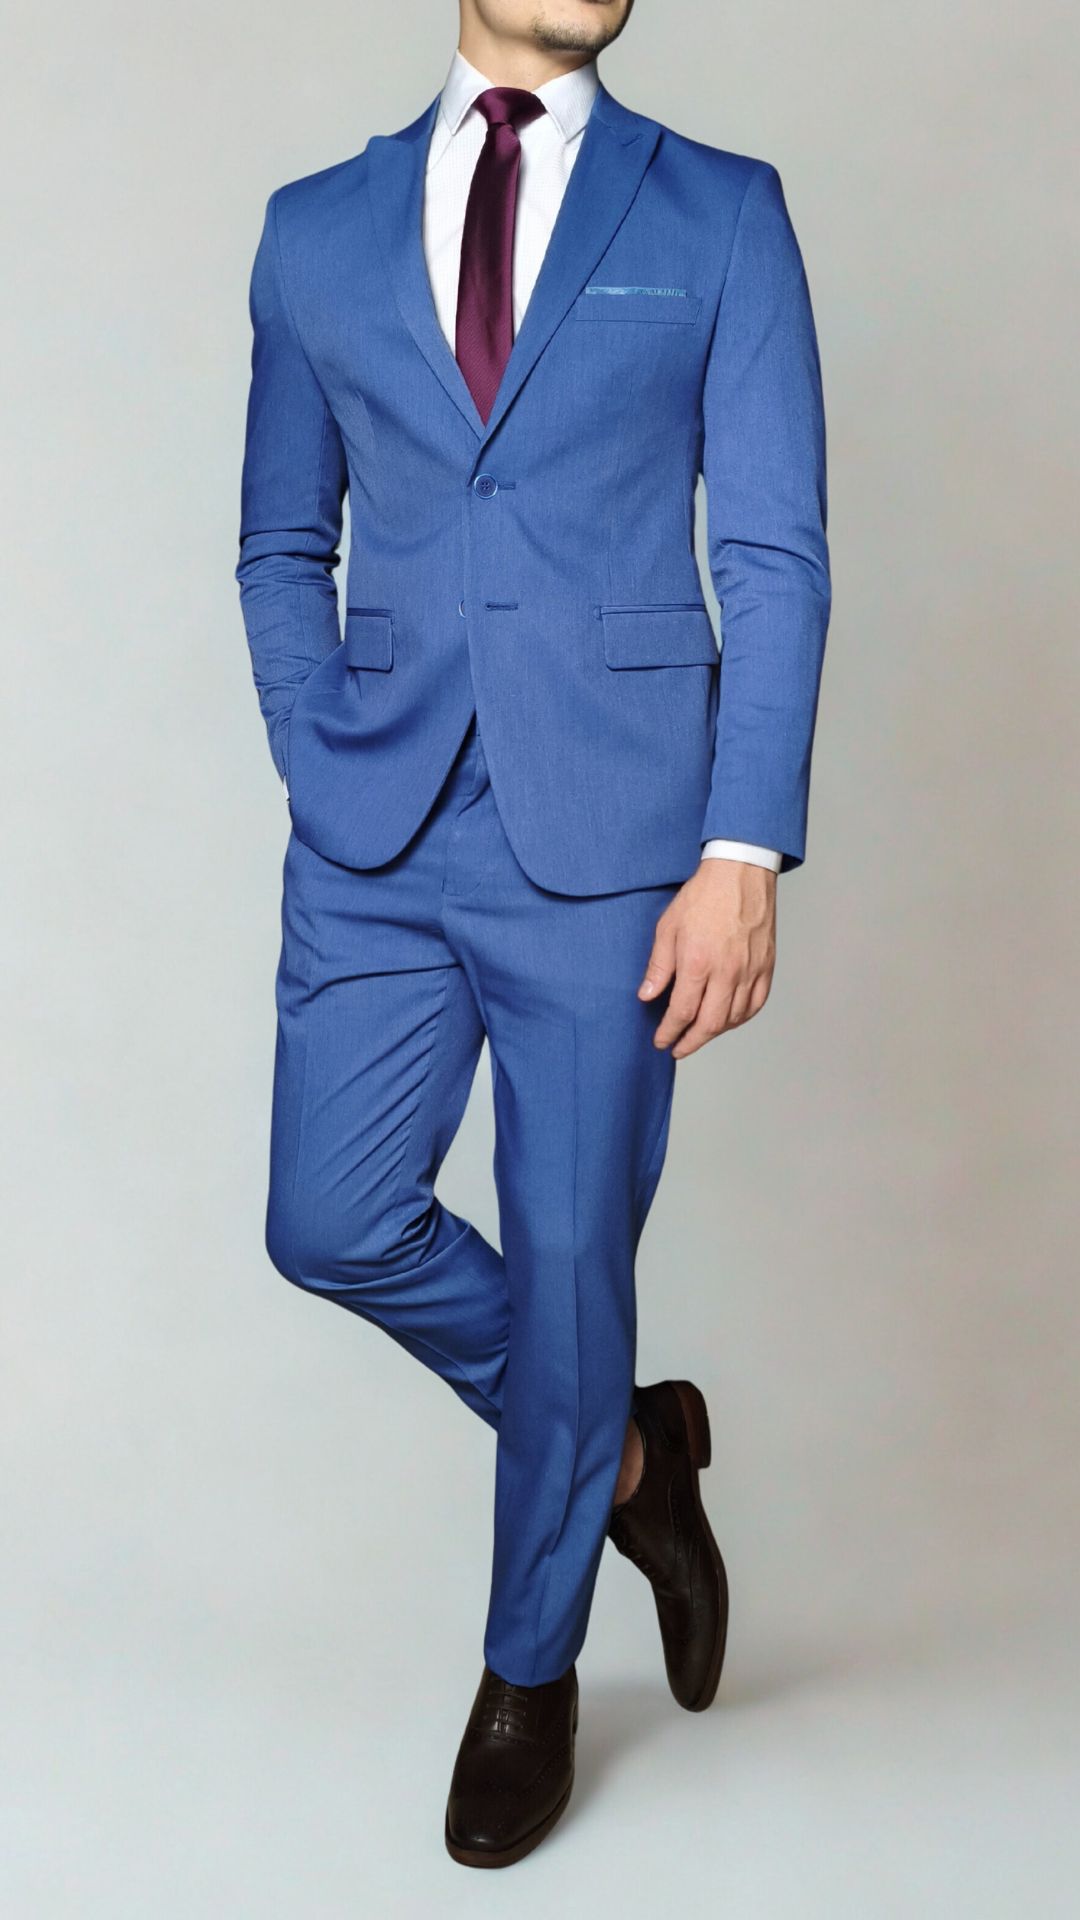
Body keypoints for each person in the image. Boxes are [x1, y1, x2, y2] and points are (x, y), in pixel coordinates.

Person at [236, 0, 829, 1869]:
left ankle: (529, 1673)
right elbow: (279, 541)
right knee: (330, 1218)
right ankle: (632, 1457)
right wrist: (320, 748)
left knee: (574, 1265)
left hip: (621, 836)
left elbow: (775, 551)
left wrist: (742, 847)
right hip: (378, 826)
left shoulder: (719, 210)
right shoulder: (315, 230)